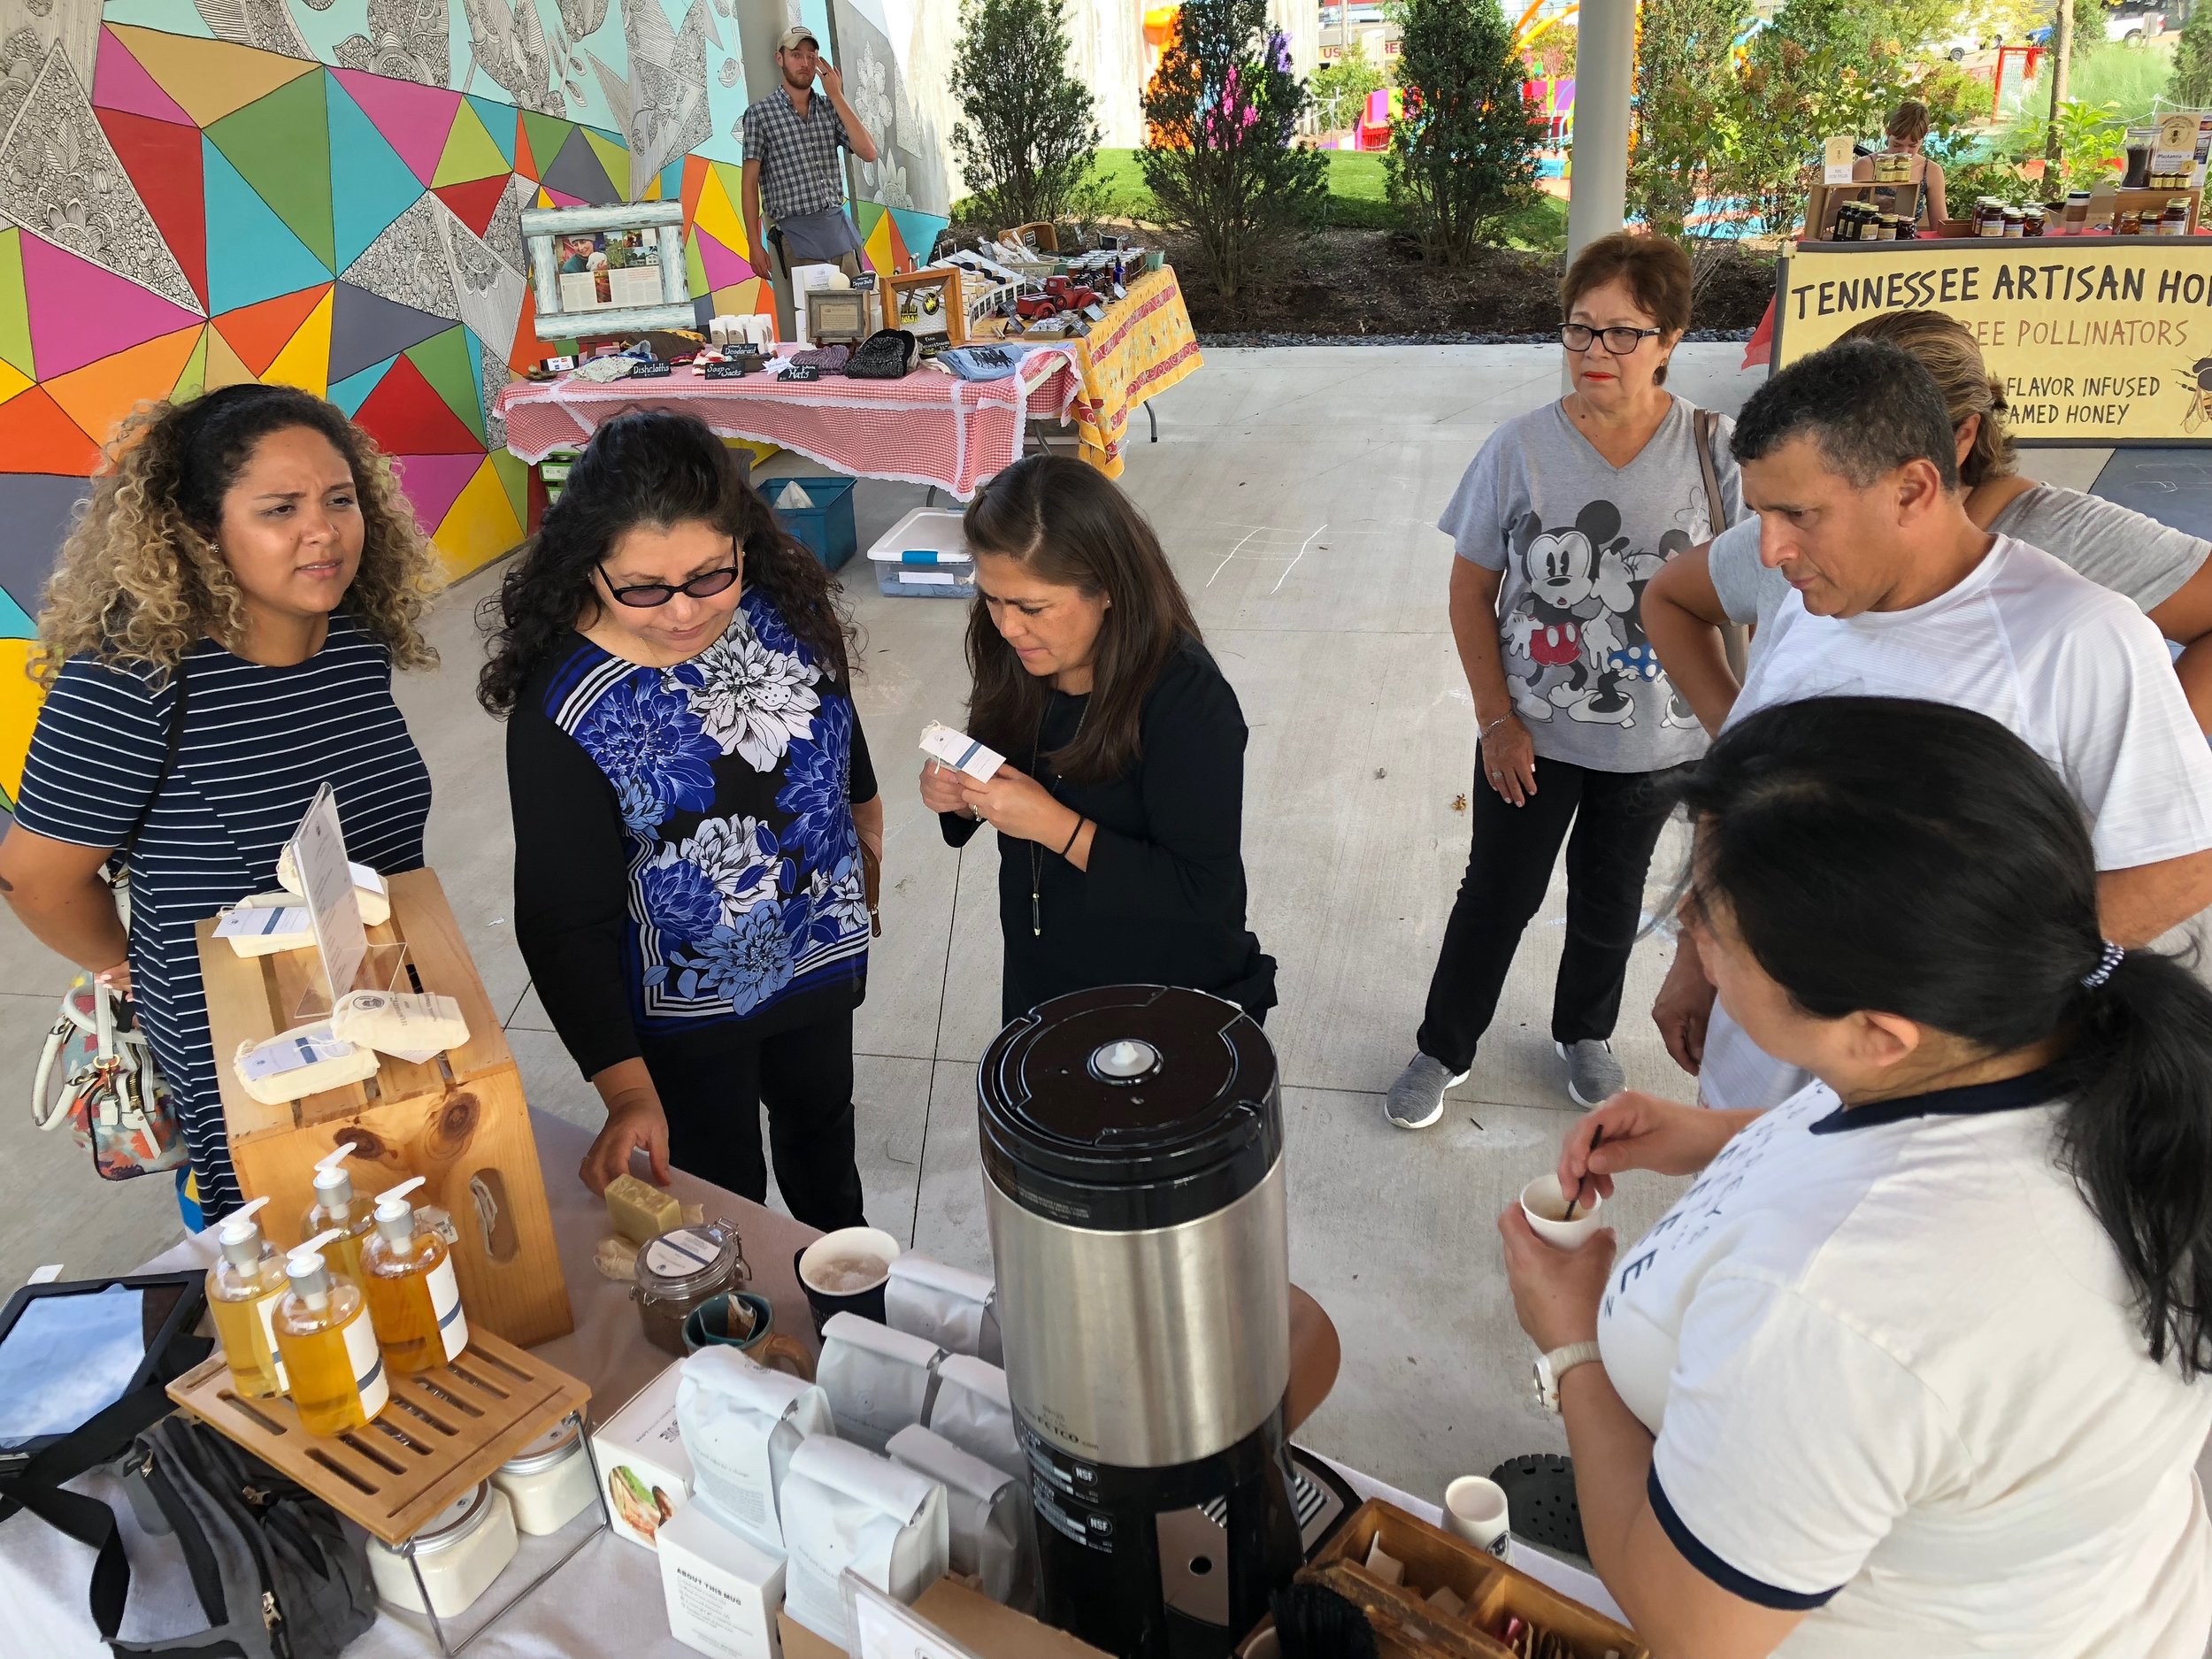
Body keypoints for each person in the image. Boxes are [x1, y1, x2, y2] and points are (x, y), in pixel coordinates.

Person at [1501, 695, 2212, 1657]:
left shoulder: (1842, 1305)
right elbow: (1914, 1142)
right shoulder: (2047, 1033)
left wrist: (1571, 1345)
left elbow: (1694, 1626)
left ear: (1877, 1033)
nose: (1689, 934)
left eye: (1710, 922)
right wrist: (1718, 1136)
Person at [1649, 339, 2212, 1115]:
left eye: (1799, 515)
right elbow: (1740, 800)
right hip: (1755, 1092)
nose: (1773, 549)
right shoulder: (1815, 602)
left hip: (1923, 1110)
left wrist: (1967, 1008)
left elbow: (2177, 868)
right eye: (1762, 514)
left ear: (1913, 487)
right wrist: (1695, 952)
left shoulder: (2078, 637)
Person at [0, 384, 438, 1220]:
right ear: (203, 529)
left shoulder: (351, 640)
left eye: (340, 499)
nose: (325, 531)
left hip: (381, 998)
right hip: (246, 1062)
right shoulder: (134, 677)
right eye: (281, 508)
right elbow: (36, 878)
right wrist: (125, 962)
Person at [481, 411, 881, 1228]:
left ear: (743, 543)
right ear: (586, 566)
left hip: (816, 952)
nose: (682, 612)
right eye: (642, 588)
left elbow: (837, 738)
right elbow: (563, 921)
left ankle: (849, 1317)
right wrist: (626, 1088)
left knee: (826, 1160)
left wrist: (867, 836)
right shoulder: (565, 708)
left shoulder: (783, 609)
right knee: (719, 1197)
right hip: (688, 1011)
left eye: (710, 576)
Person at [1385, 230, 1742, 1131]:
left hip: (1660, 739)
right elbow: (1471, 590)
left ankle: (1583, 1032)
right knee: (1496, 896)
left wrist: (1739, 723)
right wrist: (1494, 717)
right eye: (1579, 330)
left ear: (1668, 339)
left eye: (1623, 333)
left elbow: (1751, 598)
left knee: (1609, 899)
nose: (1595, 353)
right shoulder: (1519, 450)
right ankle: (1443, 1044)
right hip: (1532, 737)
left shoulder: (1715, 449)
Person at [1645, 307, 2212, 733]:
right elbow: (1671, 597)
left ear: (1958, 440)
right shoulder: (1795, 540)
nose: (1776, 549)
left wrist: (2151, 748)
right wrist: (1734, 734)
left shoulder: (2066, 555)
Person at [918, 455, 1273, 1024]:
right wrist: (961, 793)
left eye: (1032, 607)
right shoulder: (1015, 652)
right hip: (1045, 969)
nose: (1008, 627)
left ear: (1107, 589)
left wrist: (1053, 825)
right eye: (991, 597)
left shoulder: (1187, 702)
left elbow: (1201, 896)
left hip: (1162, 991)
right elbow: (999, 750)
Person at [740, 25, 879, 332]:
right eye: (796, 55)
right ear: (780, 59)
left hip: (839, 233)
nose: (805, 62)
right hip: (796, 238)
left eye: (811, 56)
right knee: (819, 332)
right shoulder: (760, 115)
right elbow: (749, 183)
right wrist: (753, 242)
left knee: (861, 325)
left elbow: (869, 152)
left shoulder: (830, 108)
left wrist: (837, 95)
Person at [1850, 100, 1947, 229]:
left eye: (1912, 146)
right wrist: (1868, 204)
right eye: (1897, 144)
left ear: (1924, 138)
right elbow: (1831, 216)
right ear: (1888, 133)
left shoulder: (1930, 171)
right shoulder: (1866, 166)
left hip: (1907, 244)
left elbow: (1939, 226)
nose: (1904, 152)